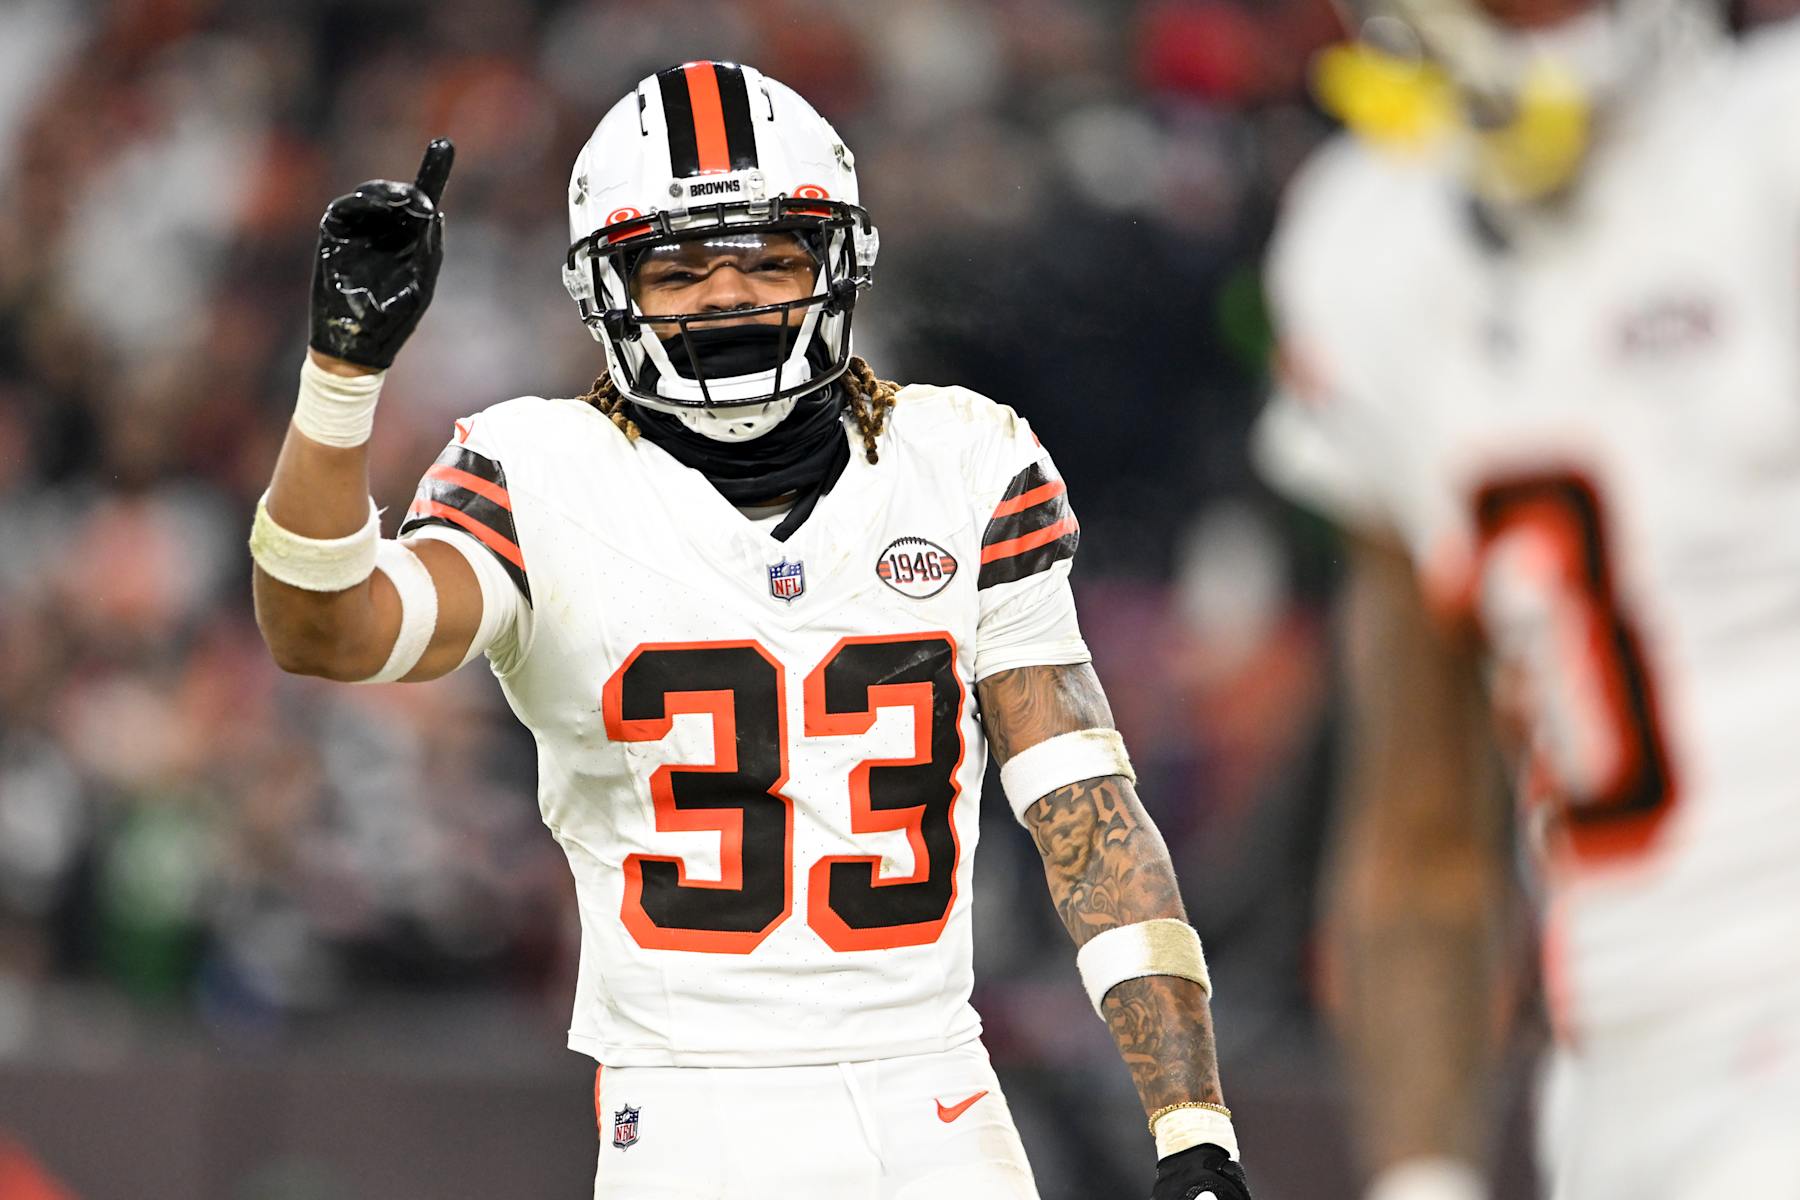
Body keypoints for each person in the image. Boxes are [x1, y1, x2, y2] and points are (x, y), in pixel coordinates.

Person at [249, 61, 1252, 1200]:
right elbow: (326, 630)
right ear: (606, 287)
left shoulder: (963, 460)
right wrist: (342, 376)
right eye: (677, 269)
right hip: (690, 1107)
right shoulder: (541, 471)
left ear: (840, 264)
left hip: (938, 1095)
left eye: (771, 258)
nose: (728, 297)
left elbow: (1085, 808)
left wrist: (1193, 1129)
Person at [1255, 1, 1800, 1197]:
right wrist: (1423, 1179)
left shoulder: (1767, 150)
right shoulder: (1371, 252)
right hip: (1627, 1092)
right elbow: (1423, 837)